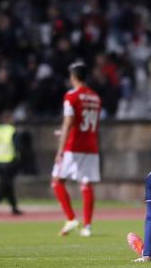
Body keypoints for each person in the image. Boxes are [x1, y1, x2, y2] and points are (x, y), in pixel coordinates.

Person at [52, 61, 101, 237]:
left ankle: (71, 218)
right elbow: (85, 123)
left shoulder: (71, 96)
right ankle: (87, 226)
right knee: (86, 185)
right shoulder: (95, 97)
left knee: (57, 181)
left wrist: (60, 150)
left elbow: (68, 122)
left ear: (73, 77)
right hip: (91, 146)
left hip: (73, 146)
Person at [0, 112, 22, 216]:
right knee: (5, 185)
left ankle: (14, 207)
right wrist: (19, 159)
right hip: (9, 161)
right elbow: (17, 147)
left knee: (8, 185)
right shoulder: (11, 131)